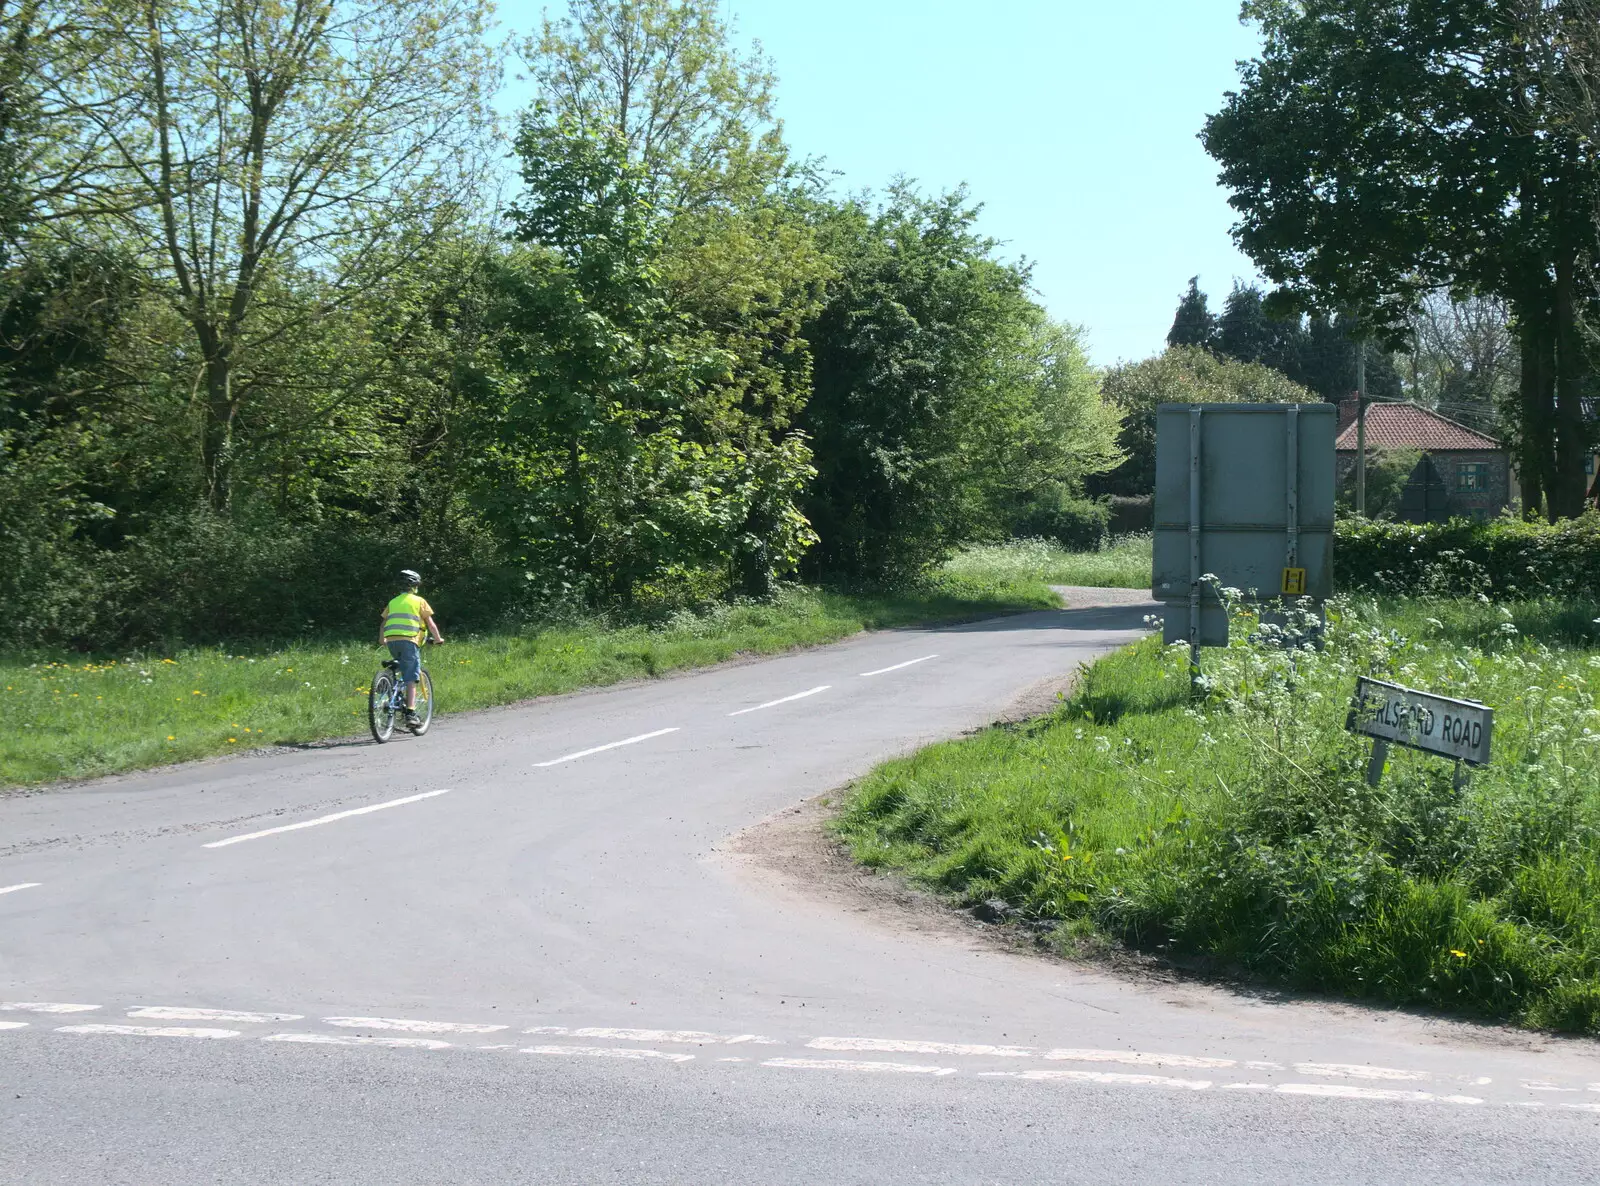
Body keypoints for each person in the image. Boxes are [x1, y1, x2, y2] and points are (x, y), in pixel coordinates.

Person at [379, 569, 443, 726]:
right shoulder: (419, 601)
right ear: (415, 586)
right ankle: (411, 713)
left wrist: (382, 640)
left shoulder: (393, 602)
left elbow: (383, 623)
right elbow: (430, 623)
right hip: (410, 640)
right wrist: (438, 638)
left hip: (392, 639)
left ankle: (387, 686)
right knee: (411, 677)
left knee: (400, 666)